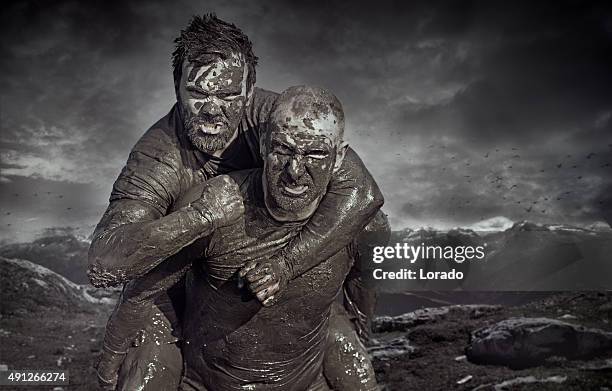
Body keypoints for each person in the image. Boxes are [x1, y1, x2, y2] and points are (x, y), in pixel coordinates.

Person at [88, 15, 384, 389]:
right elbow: (103, 263)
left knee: (367, 234)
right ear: (176, 87)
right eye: (198, 93)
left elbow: (363, 195)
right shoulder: (159, 157)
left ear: (249, 92)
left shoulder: (274, 119)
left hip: (273, 265)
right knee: (148, 357)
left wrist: (288, 267)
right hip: (174, 280)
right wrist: (203, 217)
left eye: (228, 96)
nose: (213, 110)